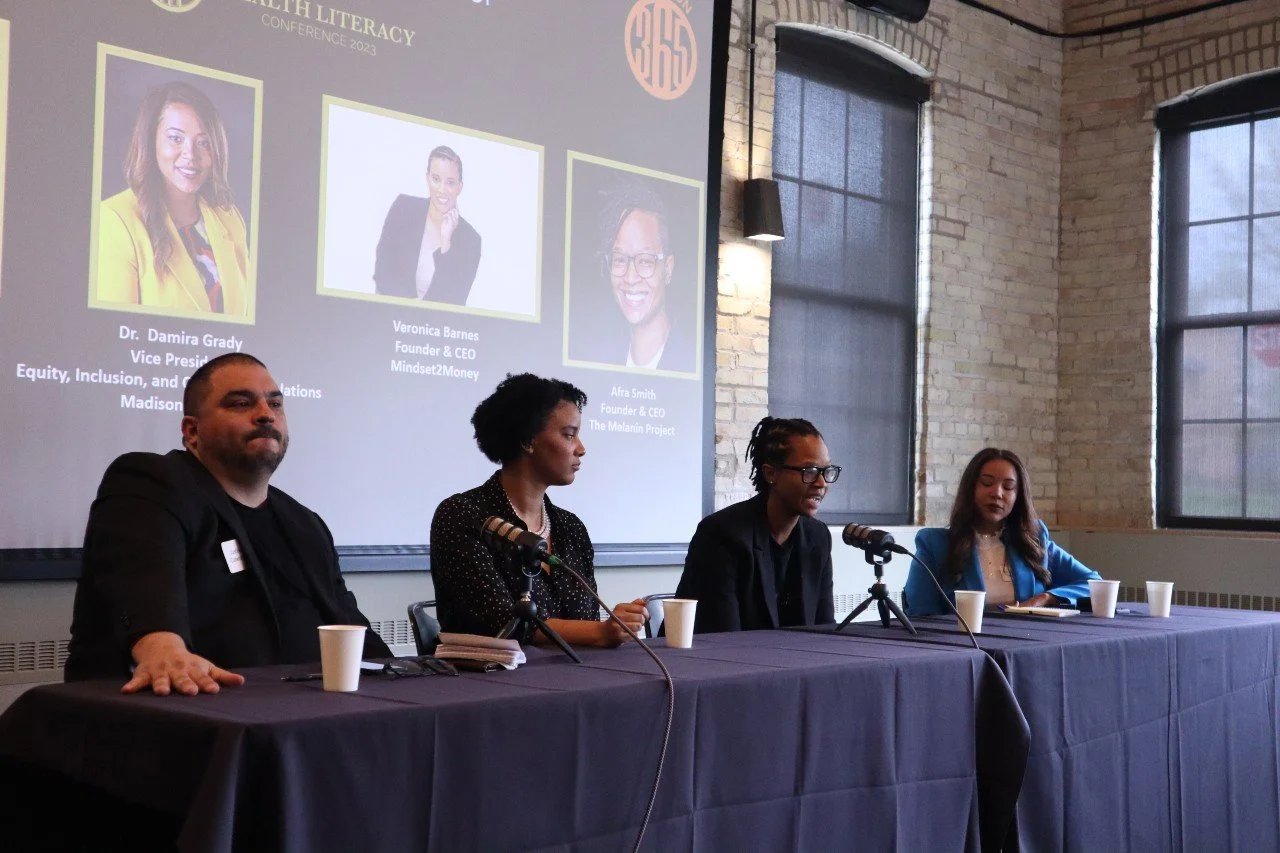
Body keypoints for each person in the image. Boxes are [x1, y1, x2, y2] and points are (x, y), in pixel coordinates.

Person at [65, 353, 390, 694]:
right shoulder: (152, 484)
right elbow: (141, 579)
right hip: (183, 709)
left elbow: (350, 629)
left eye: (275, 404)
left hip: (304, 713)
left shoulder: (305, 523)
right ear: (192, 431)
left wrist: (411, 673)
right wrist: (160, 645)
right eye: (240, 403)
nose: (266, 414)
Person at [430, 373, 648, 646]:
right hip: (491, 681)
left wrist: (615, 624)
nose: (581, 449)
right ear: (527, 440)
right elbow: (504, 622)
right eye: (569, 435)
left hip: (575, 678)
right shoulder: (464, 515)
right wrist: (602, 632)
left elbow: (587, 616)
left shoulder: (571, 527)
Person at [96, 81, 251, 316]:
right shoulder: (115, 219)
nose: (191, 155)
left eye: (203, 143)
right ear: (151, 140)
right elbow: (113, 332)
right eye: (176, 138)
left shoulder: (230, 219)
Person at [674, 416, 837, 632]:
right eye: (810, 471)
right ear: (771, 473)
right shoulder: (722, 534)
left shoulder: (818, 537)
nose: (822, 483)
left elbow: (825, 630)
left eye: (826, 471)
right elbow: (722, 637)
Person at [904, 447, 1101, 616]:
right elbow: (921, 615)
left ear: (1018, 497)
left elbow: (1095, 584)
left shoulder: (1034, 541)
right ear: (970, 488)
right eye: (987, 483)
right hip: (961, 651)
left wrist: (1045, 598)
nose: (997, 493)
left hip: (1023, 646)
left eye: (1008, 487)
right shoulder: (934, 545)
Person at [580, 179, 695, 372]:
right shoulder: (599, 359)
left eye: (645, 261)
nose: (631, 277)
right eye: (620, 259)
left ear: (668, 268)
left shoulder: (690, 360)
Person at [374, 144, 482, 305]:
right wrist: (412, 308)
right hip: (391, 317)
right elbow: (383, 273)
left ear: (460, 187)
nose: (441, 189)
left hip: (436, 328)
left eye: (450, 182)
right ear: (427, 178)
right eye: (436, 179)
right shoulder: (403, 208)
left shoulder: (471, 240)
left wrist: (446, 244)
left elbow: (454, 302)